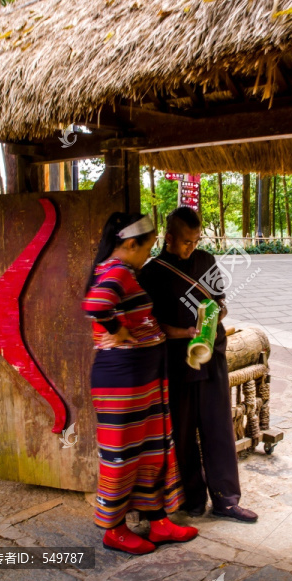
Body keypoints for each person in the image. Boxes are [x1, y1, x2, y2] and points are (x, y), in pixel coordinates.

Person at [81, 212, 198, 555]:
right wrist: (117, 331)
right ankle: (113, 530)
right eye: (147, 248)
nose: (149, 254)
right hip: (122, 383)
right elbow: (97, 305)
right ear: (131, 244)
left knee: (151, 451)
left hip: (143, 380)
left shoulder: (124, 271)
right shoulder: (116, 271)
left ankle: (157, 520)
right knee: (122, 456)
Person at [139, 206, 258, 523]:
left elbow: (221, 304)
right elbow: (151, 325)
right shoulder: (151, 274)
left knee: (218, 428)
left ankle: (226, 500)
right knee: (183, 431)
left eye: (196, 240)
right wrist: (185, 333)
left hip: (213, 356)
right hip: (179, 362)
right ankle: (193, 498)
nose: (192, 247)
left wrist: (212, 318)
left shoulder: (206, 260)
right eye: (186, 242)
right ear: (169, 239)